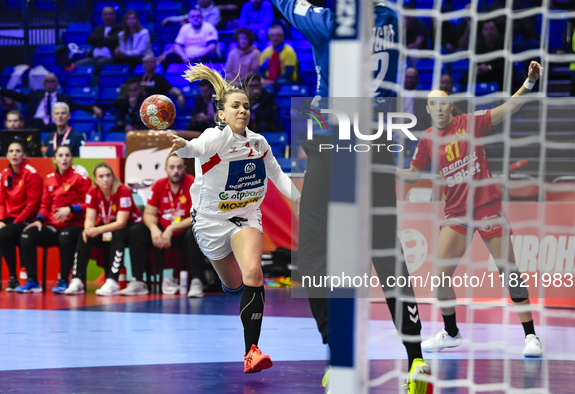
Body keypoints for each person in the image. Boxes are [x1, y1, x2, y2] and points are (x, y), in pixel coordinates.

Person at [271, 1, 432, 392]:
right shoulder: (390, 19)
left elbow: (287, 5)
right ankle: (417, 360)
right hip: (376, 148)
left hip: (333, 149)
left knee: (311, 254)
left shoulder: (330, 23)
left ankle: (338, 353)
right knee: (386, 252)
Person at [166, 63, 301, 373]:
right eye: (236, 106)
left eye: (246, 106)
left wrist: (301, 200)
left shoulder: (258, 143)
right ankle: (232, 286)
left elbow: (278, 176)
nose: (243, 110)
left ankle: (251, 351)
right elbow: (193, 149)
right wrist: (183, 146)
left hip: (245, 215)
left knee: (254, 274)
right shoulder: (215, 137)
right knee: (235, 283)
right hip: (211, 222)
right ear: (221, 114)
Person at [402, 61, 544, 357]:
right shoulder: (427, 139)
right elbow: (411, 176)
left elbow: (510, 108)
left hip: (487, 206)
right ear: (427, 110)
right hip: (456, 214)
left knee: (510, 272)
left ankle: (531, 337)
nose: (437, 108)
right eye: (432, 104)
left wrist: (529, 82)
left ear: (451, 105)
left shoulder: (471, 122)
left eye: (442, 103)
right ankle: (451, 333)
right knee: (440, 277)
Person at [121, 155, 208, 298]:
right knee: (136, 231)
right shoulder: (159, 185)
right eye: (172, 167)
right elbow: (148, 214)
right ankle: (138, 281)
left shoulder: (193, 183)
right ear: (165, 169)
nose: (176, 171)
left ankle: (197, 281)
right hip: (162, 234)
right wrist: (154, 229)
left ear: (184, 169)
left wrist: (171, 228)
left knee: (195, 232)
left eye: (179, 167)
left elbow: (196, 217)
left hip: (184, 232)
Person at [16, 145, 91, 293]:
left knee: (65, 237)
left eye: (67, 155)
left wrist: (70, 209)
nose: (64, 159)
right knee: (26, 235)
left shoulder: (80, 178)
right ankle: (32, 281)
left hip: (74, 225)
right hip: (52, 226)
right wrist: (39, 220)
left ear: (72, 158)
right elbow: (45, 205)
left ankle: (63, 279)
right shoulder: (49, 179)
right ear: (55, 159)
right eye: (61, 156)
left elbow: (88, 204)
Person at [65, 163, 142, 295]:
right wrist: (89, 229)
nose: (105, 179)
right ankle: (78, 280)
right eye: (101, 176)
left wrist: (97, 230)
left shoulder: (123, 190)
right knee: (85, 234)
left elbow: (121, 223)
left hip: (131, 228)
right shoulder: (92, 192)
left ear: (113, 177)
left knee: (118, 235)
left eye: (108, 175)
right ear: (95, 179)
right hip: (108, 226)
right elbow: (89, 218)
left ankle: (112, 281)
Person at [0, 141, 43, 291]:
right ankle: (12, 278)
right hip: (9, 220)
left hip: (27, 220)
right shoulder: (4, 175)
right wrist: (1, 220)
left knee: (4, 233)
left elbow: (32, 204)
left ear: (24, 155)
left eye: (18, 151)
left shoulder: (31, 174)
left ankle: (14, 276)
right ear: (7, 155)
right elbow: (2, 201)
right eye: (11, 151)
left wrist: (14, 222)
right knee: (3, 231)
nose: (14, 154)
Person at [0, 73, 102, 132]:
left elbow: (79, 105)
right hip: (34, 129)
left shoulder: (64, 98)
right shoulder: (36, 95)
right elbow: (18, 96)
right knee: (31, 132)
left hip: (55, 128)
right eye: (47, 81)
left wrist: (93, 108)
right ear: (44, 84)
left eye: (52, 81)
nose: (50, 84)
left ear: (57, 84)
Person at [76, 6, 122, 74]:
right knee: (78, 64)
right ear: (102, 17)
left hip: (108, 58)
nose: (107, 16)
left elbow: (114, 40)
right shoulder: (98, 29)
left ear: (114, 16)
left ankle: (95, 82)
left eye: (110, 14)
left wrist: (98, 41)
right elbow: (90, 39)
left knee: (99, 64)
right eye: (105, 14)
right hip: (93, 57)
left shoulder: (119, 28)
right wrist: (105, 38)